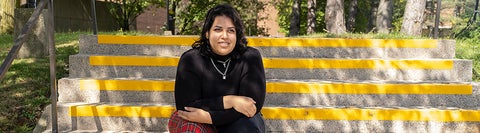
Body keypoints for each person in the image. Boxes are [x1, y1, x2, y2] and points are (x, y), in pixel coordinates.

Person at [167, 3, 267, 133]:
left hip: (238, 121)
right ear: (207, 33)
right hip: (198, 120)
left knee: (247, 126)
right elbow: (186, 106)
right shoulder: (191, 59)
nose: (224, 36)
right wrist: (229, 101)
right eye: (218, 29)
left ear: (237, 35)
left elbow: (252, 106)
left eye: (231, 30)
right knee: (189, 127)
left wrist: (211, 117)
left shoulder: (250, 57)